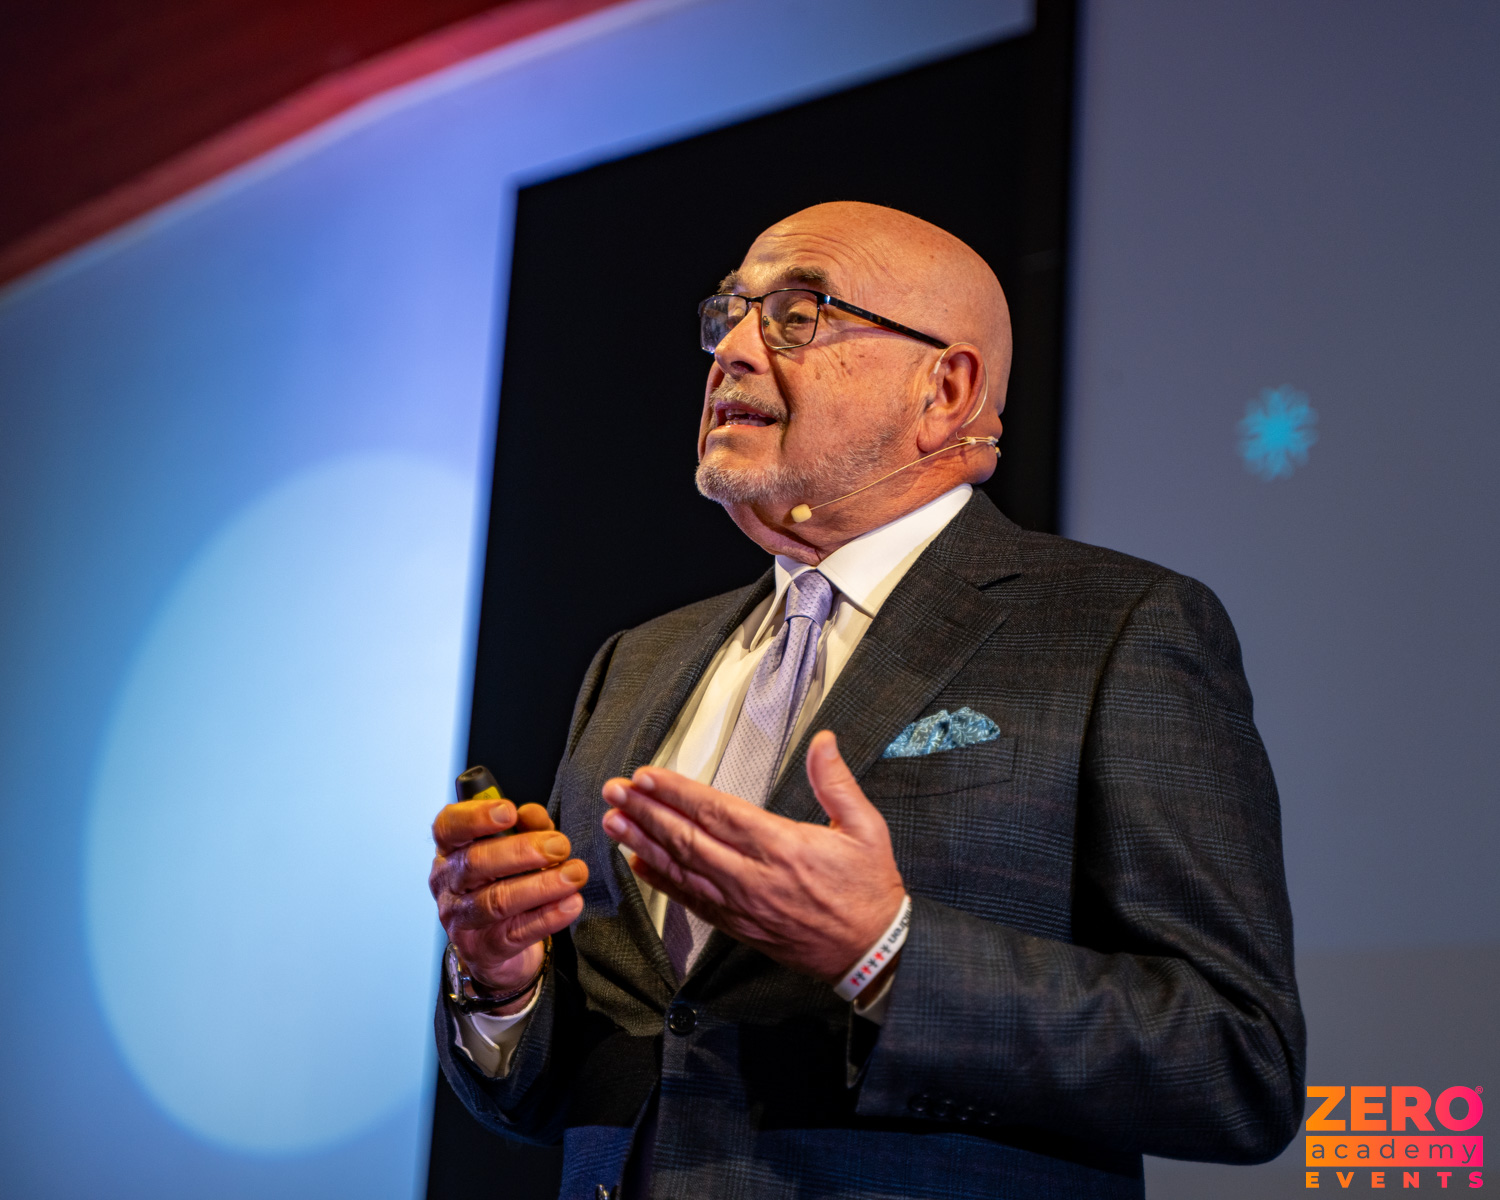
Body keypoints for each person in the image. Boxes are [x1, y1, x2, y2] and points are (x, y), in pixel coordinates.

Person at [428, 202, 1305, 1200]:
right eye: (730, 315)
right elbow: (613, 1065)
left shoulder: (1116, 629)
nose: (734, 353)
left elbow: (1238, 1064)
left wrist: (888, 952)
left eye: (798, 316)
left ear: (946, 389)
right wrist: (501, 983)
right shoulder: (636, 661)